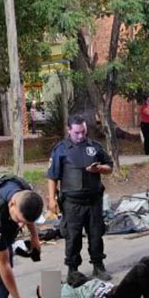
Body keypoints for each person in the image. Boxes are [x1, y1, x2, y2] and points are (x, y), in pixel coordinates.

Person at [45, 116, 115, 286]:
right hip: (71, 202)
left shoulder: (94, 147)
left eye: (83, 132)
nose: (80, 136)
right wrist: (52, 200)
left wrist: (98, 169)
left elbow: (109, 167)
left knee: (96, 234)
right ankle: (73, 269)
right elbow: (52, 177)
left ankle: (98, 266)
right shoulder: (60, 149)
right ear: (69, 130)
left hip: (93, 200)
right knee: (73, 236)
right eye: (77, 132)